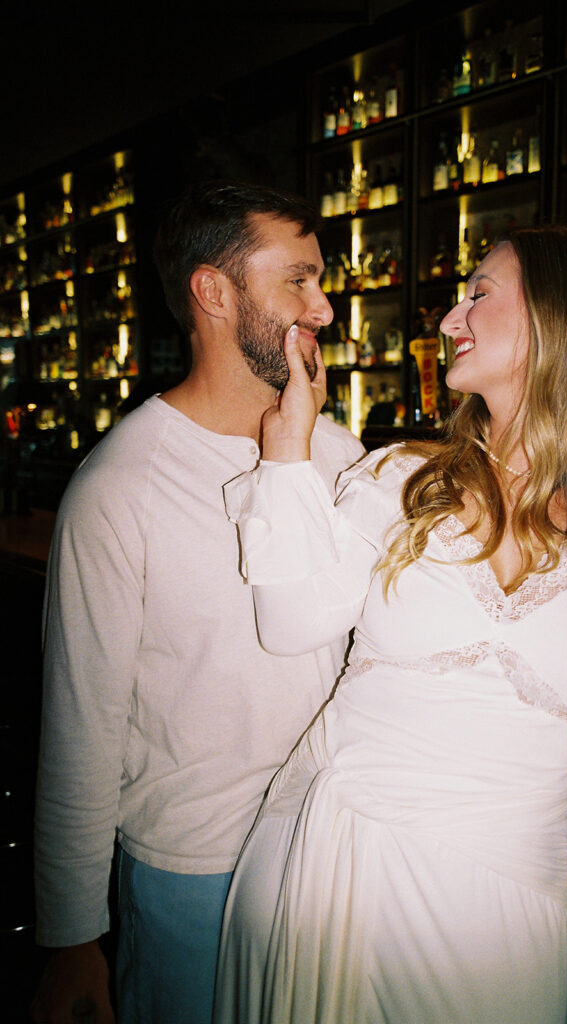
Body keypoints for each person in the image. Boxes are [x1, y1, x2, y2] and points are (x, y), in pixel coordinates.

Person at [213, 226, 567, 1024]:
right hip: (335, 858)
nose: (448, 319)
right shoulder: (403, 477)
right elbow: (290, 624)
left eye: (479, 294)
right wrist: (287, 446)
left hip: (503, 895)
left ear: (565, 315)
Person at [30, 181, 365, 1024]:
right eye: (297, 280)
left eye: (321, 279)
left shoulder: (341, 453)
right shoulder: (120, 485)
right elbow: (79, 724)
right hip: (194, 875)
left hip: (333, 856)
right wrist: (73, 939)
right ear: (213, 291)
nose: (323, 307)